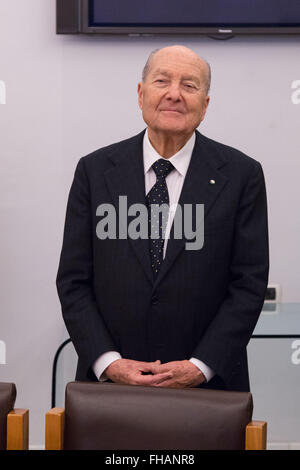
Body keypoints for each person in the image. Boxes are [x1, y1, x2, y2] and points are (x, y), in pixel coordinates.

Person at [56, 45, 269, 392]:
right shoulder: (94, 172)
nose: (174, 94)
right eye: (162, 81)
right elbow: (73, 281)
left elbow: (248, 285)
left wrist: (200, 367)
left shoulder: (242, 175)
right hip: (110, 390)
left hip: (208, 392)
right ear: (141, 95)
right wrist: (110, 363)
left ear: (205, 105)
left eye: (189, 85)